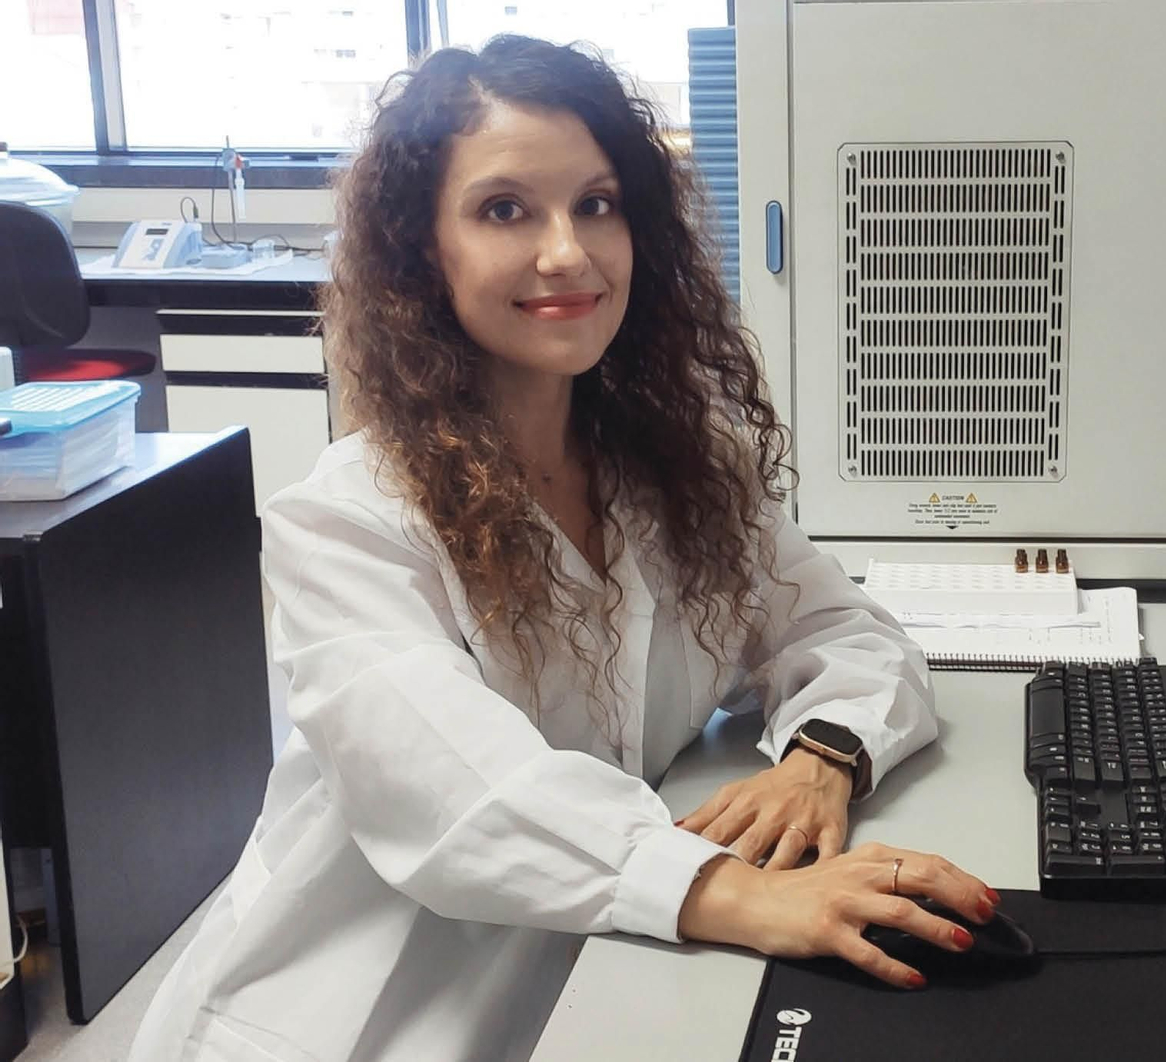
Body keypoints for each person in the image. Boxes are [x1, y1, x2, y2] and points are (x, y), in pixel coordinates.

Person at [129, 35, 999, 1062]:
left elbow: (841, 627)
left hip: (616, 968)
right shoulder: (349, 522)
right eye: (505, 210)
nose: (567, 253)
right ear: (422, 251)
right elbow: (459, 792)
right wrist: (739, 893)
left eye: (596, 203)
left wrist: (823, 758)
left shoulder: (682, 469)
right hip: (375, 1008)